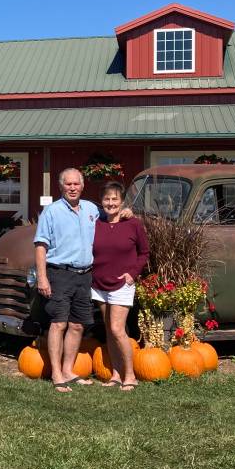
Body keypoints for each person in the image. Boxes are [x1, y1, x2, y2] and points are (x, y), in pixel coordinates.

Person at [34, 168, 99, 392]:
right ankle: (56, 373)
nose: (72, 188)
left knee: (77, 325)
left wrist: (126, 213)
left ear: (82, 186)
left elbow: (112, 221)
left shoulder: (91, 209)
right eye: (68, 184)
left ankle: (69, 370)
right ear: (61, 187)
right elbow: (41, 245)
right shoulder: (51, 212)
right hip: (59, 273)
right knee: (59, 323)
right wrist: (42, 278)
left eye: (76, 184)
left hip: (84, 275)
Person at [91, 181, 149, 392]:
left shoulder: (133, 224)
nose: (111, 203)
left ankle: (130, 375)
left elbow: (144, 253)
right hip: (98, 283)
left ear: (122, 201)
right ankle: (116, 373)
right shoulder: (96, 224)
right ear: (102, 202)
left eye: (115, 199)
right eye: (107, 199)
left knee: (117, 328)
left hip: (122, 284)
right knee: (109, 328)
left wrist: (133, 274)